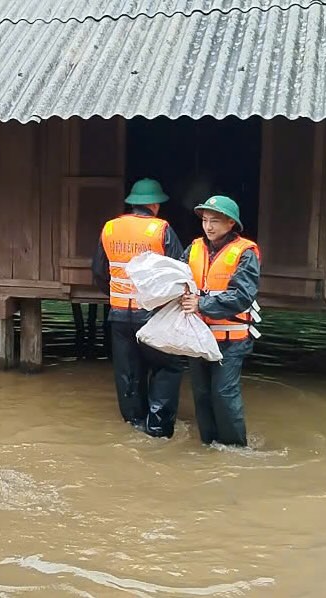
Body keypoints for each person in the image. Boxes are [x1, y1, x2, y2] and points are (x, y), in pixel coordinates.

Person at [91, 178, 185, 438]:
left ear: (132, 204)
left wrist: (116, 294)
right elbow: (176, 272)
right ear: (154, 205)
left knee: (128, 370)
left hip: (119, 314)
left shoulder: (110, 228)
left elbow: (99, 271)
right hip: (151, 313)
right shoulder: (161, 229)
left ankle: (133, 423)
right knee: (168, 365)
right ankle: (158, 428)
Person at [180, 196, 261, 447]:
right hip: (199, 336)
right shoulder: (194, 248)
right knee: (202, 394)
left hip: (231, 339)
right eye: (205, 220)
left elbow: (243, 295)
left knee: (224, 393)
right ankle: (209, 445)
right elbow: (178, 278)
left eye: (215, 221)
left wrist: (201, 304)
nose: (208, 226)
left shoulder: (246, 252)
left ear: (230, 224)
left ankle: (236, 448)